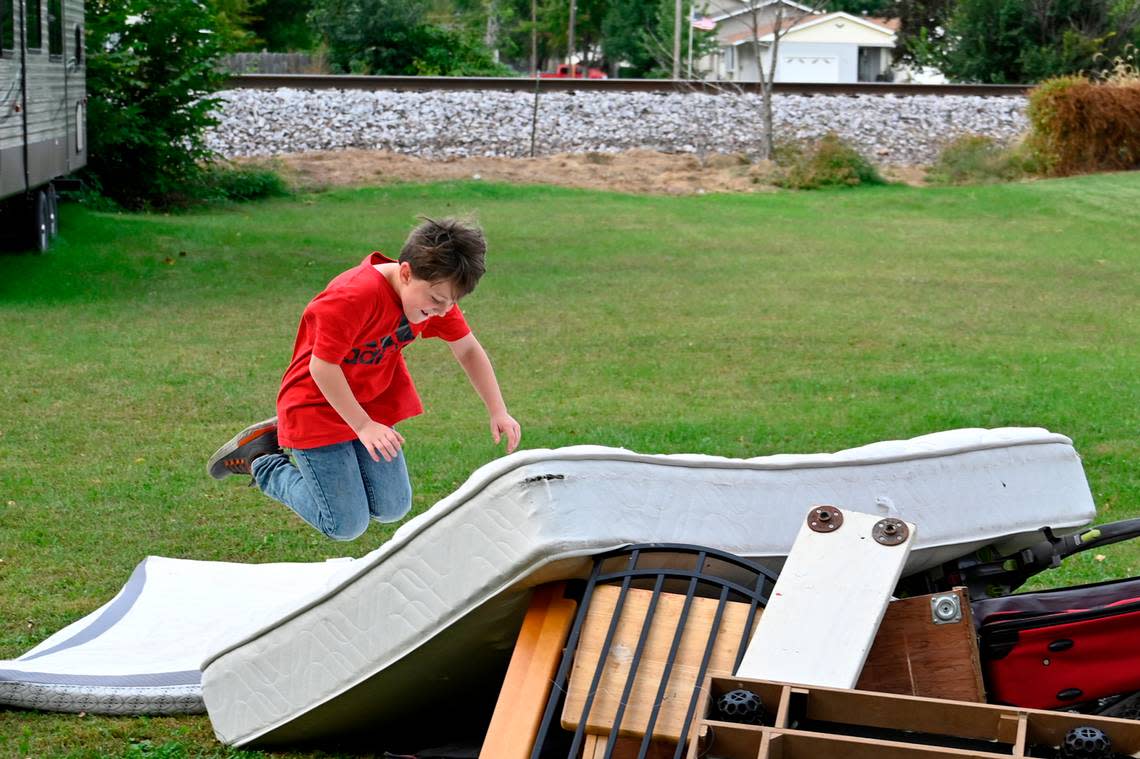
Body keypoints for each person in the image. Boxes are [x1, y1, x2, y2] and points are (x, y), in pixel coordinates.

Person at [206, 217, 521, 540]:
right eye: (437, 301)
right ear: (406, 273)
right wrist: (362, 426)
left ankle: (301, 440)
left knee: (392, 507)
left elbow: (467, 348)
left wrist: (498, 410)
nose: (443, 312)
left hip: (370, 406)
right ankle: (263, 459)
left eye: (451, 303)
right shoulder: (352, 297)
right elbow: (323, 368)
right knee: (345, 525)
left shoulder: (433, 293)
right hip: (317, 406)